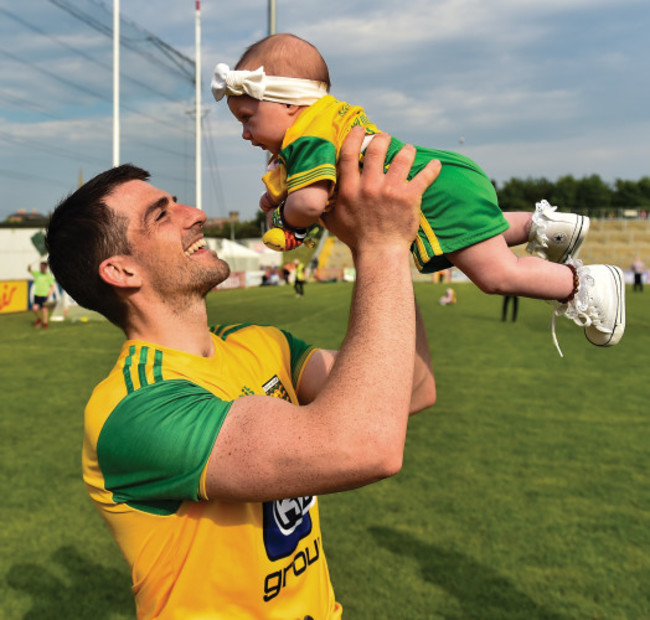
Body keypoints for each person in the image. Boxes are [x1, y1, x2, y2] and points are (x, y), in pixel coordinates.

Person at [44, 129, 440, 619]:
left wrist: (401, 246)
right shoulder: (135, 409)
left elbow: (414, 387)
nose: (197, 215)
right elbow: (365, 445)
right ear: (122, 271)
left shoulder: (260, 343)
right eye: (162, 215)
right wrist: (381, 245)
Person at [212, 33, 626, 355]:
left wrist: (286, 217)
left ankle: (585, 285)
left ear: (288, 103)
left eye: (248, 118)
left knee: (495, 276)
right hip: (443, 179)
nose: (245, 133)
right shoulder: (327, 117)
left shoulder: (304, 138)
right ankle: (544, 227)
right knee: (474, 247)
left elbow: (310, 203)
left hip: (430, 193)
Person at [27, 260, 55, 329]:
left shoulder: (48, 276)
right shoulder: (37, 274)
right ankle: (39, 319)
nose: (41, 268)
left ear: (45, 267)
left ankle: (45, 323)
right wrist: (29, 267)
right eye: (40, 266)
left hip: (44, 295)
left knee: (44, 309)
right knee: (34, 308)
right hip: (37, 294)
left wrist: (50, 292)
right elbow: (29, 270)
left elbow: (52, 285)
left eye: (42, 267)